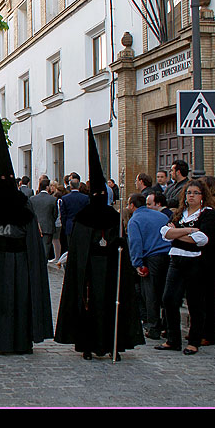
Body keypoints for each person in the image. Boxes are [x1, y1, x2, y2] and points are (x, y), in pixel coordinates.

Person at [55, 125, 144, 361]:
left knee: (111, 306)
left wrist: (120, 249)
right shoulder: (85, 217)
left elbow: (119, 242)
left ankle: (113, 343)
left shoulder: (115, 217)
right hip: (90, 272)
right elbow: (78, 248)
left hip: (110, 271)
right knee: (89, 308)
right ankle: (87, 344)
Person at [0, 105, 53, 355]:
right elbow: (31, 236)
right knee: (17, 301)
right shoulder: (21, 202)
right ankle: (19, 340)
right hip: (17, 262)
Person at [156, 179, 215, 355]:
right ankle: (173, 339)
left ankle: (193, 341)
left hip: (197, 262)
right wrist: (189, 231)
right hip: (176, 259)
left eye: (195, 193)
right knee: (169, 298)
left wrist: (177, 233)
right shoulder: (179, 213)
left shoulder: (207, 214)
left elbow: (202, 239)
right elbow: (165, 233)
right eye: (189, 193)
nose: (191, 196)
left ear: (202, 196)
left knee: (195, 302)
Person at [126, 193, 171, 340]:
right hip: (169, 256)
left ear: (132, 205)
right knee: (166, 292)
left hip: (151, 258)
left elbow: (135, 243)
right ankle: (167, 325)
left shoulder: (135, 220)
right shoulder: (161, 216)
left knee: (150, 293)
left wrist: (137, 263)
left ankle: (153, 327)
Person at [197, 175, 215, 346]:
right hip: (207, 251)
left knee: (208, 296)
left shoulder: (211, 206)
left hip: (209, 253)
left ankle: (208, 333)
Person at [29, 178, 58, 262]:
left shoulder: (32, 199)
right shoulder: (52, 199)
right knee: (46, 247)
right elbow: (55, 214)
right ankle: (43, 264)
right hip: (48, 225)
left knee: (35, 246)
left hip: (35, 225)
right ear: (47, 187)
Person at [59, 172, 89, 239]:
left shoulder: (65, 198)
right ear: (78, 186)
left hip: (70, 225)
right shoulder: (85, 198)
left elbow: (63, 214)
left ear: (71, 186)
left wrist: (65, 225)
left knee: (71, 246)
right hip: (82, 226)